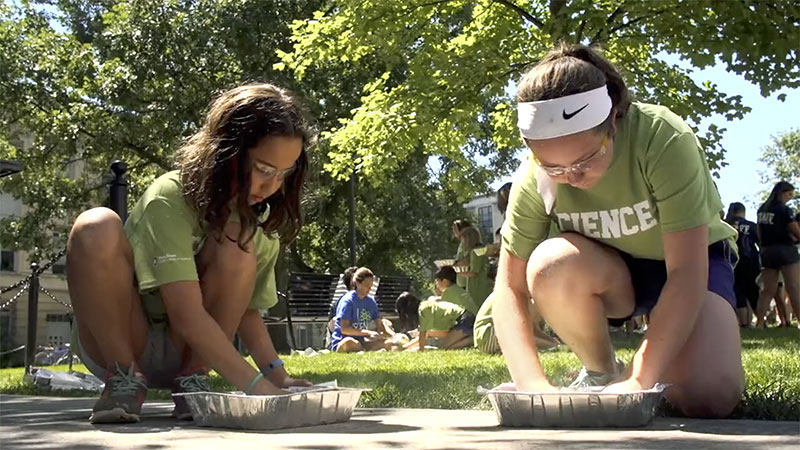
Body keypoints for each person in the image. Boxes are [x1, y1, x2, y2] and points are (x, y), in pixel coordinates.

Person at [493, 43, 743, 418]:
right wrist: (531, 385)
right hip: (609, 275)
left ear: (614, 120)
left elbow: (686, 271)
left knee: (707, 395)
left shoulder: (662, 137)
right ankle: (601, 371)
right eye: (553, 168)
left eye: (586, 160)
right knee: (549, 263)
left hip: (689, 266)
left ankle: (638, 371)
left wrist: (640, 380)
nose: (572, 177)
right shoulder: (533, 175)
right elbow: (510, 287)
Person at [66, 83, 313, 424]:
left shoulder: (256, 221)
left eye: (284, 174)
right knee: (95, 225)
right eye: (264, 170)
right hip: (123, 339)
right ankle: (124, 380)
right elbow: (185, 314)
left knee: (237, 239)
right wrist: (256, 388)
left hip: (192, 353)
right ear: (227, 151)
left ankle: (193, 383)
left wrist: (277, 375)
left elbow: (247, 312)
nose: (272, 187)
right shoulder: (169, 197)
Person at [754, 181, 800, 328]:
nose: (790, 198)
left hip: (767, 251)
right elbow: (794, 230)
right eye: (789, 194)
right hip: (785, 249)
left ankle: (760, 322)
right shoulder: (784, 210)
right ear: (782, 193)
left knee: (767, 289)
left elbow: (759, 231)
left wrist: (763, 246)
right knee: (793, 287)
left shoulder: (762, 209)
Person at [330, 268, 394, 352]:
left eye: (371, 286)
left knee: (389, 343)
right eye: (366, 285)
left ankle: (362, 350)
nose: (369, 289)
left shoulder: (371, 302)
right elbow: (344, 329)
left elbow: (380, 326)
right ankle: (362, 350)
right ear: (357, 283)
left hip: (363, 341)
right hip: (344, 341)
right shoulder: (348, 301)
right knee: (350, 342)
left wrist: (393, 336)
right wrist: (368, 333)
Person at [396, 294, 475, 352]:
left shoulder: (423, 310)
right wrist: (406, 347)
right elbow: (425, 335)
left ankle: (473, 339)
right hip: (461, 320)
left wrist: (420, 351)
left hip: (464, 320)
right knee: (441, 341)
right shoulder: (424, 306)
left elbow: (423, 335)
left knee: (446, 347)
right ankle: (470, 337)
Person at [725, 202, 761, 326]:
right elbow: (760, 242)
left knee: (738, 292)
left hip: (732, 261)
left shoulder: (726, 225)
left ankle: (744, 323)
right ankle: (761, 321)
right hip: (751, 261)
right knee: (754, 292)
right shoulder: (751, 226)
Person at [459, 227, 492, 307]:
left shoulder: (475, 252)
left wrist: (460, 273)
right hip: (483, 285)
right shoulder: (479, 250)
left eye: (463, 239)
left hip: (477, 287)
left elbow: (474, 273)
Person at [453, 219, 477, 288]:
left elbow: (468, 260)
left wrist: (454, 264)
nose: (454, 231)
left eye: (455, 228)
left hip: (468, 282)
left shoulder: (470, 244)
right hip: (461, 281)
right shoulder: (461, 244)